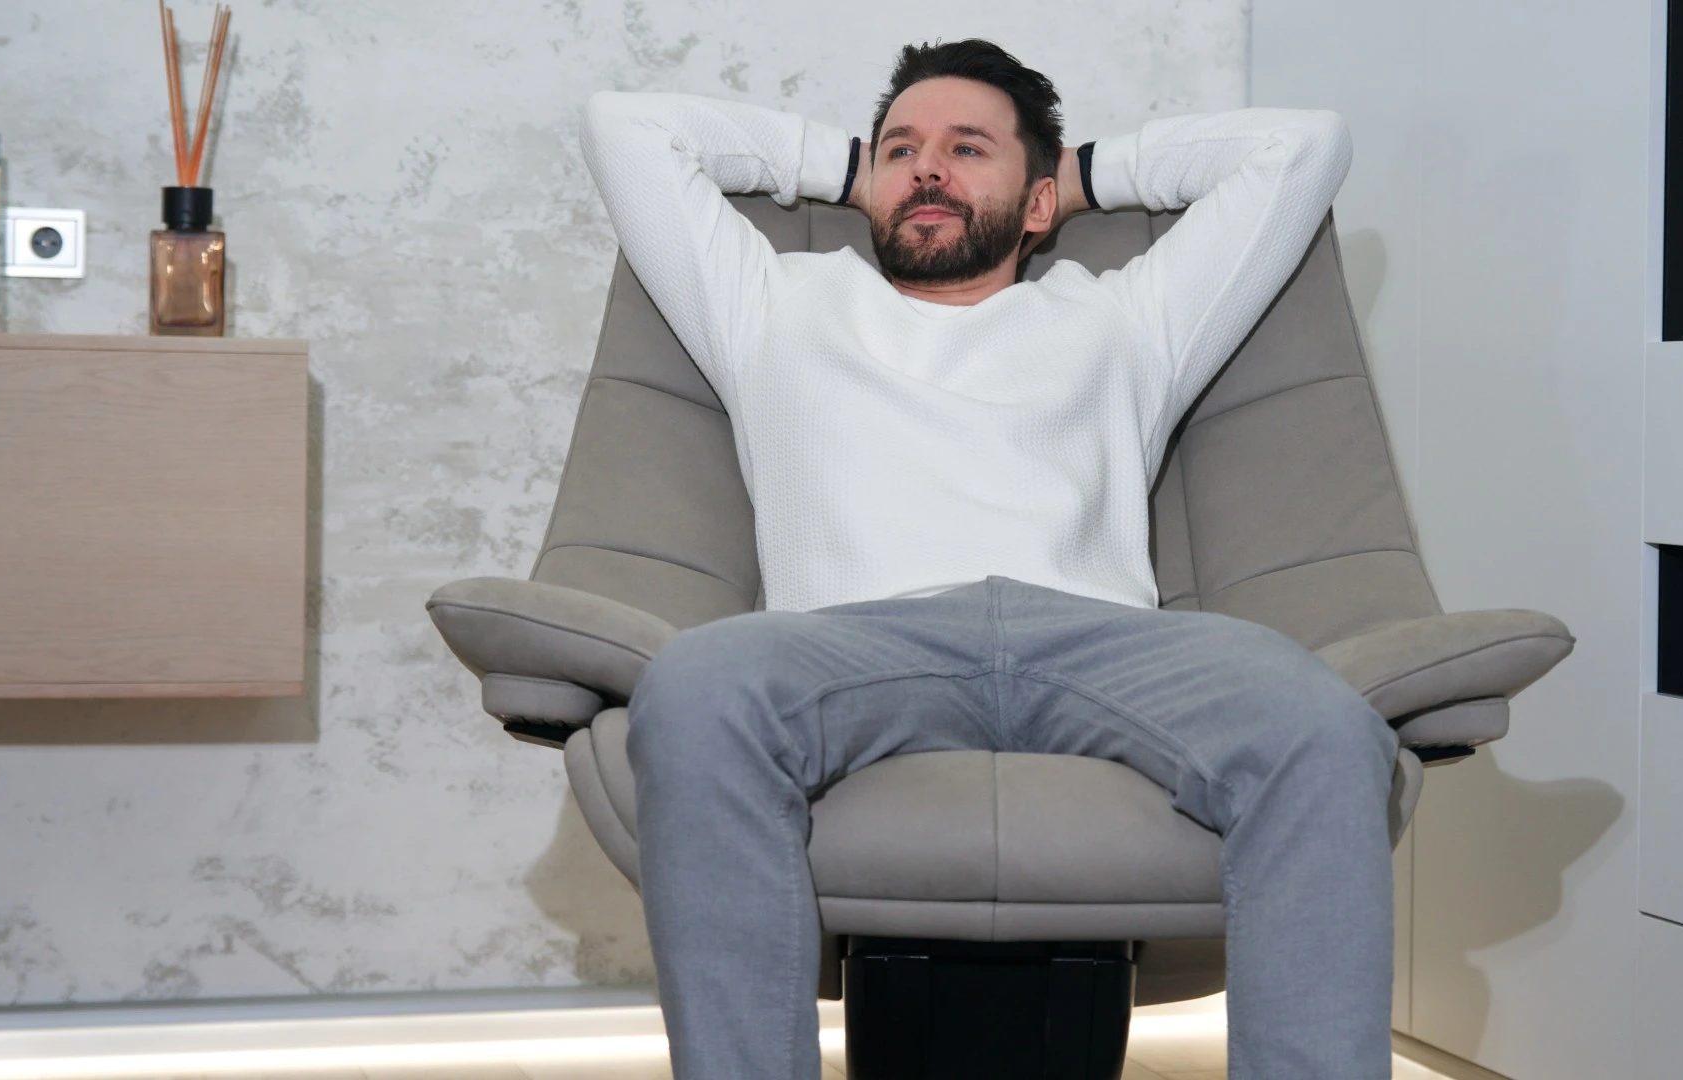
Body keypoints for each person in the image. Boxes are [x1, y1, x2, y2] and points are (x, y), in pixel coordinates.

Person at [580, 37, 1397, 1080]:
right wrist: (854, 164)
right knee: (693, 683)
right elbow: (624, 125)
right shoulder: (771, 301)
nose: (927, 169)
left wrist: (1086, 172)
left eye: (969, 149)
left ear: (1042, 202)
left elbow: (1303, 146)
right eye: (901, 151)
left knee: (1321, 721)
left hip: (1097, 641)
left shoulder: (1129, 317)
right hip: (854, 643)